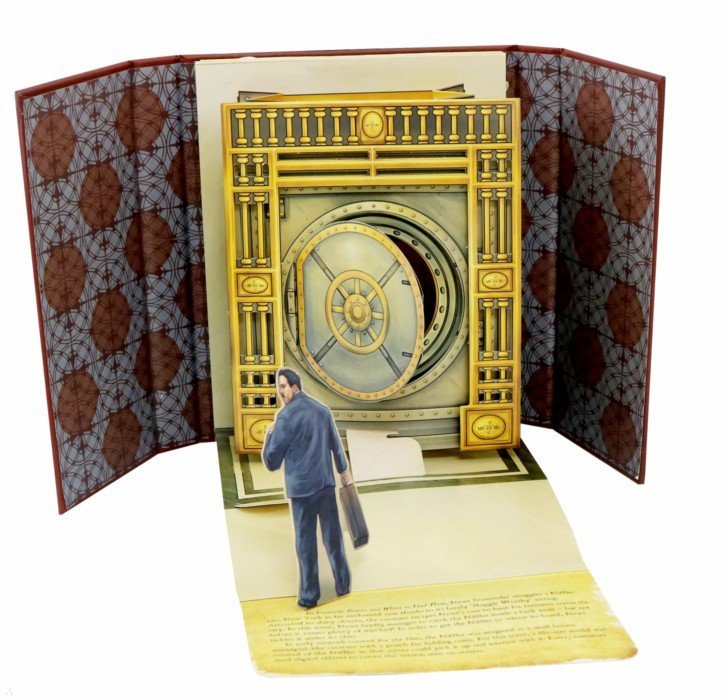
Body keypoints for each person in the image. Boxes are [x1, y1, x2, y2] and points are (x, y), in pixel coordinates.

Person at [262, 368, 351, 609]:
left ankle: (310, 596)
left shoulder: (285, 418)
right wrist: (343, 472)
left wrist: (269, 436)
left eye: (283, 386)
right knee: (333, 540)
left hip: (302, 492)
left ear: (295, 387)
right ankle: (343, 586)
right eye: (279, 387)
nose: (280, 392)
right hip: (325, 485)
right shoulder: (322, 410)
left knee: (306, 545)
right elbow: (336, 445)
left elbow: (271, 462)